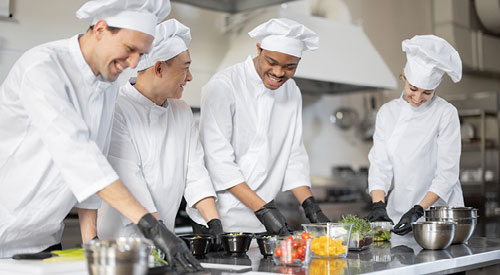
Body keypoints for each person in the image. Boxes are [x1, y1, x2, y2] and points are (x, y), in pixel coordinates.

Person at [0, 0, 202, 271]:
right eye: (129, 49)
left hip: (43, 239)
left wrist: (91, 241)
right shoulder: (43, 68)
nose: (132, 63)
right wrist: (153, 227)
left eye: (140, 55)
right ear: (100, 29)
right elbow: (81, 159)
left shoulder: (107, 85)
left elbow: (96, 167)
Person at [97, 19, 224, 248]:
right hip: (121, 244)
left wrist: (213, 221)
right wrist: (161, 234)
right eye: (185, 68)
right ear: (158, 68)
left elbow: (195, 172)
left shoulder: (182, 111)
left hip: (163, 237)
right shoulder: (117, 109)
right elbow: (130, 182)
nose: (190, 77)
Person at [198, 18, 330, 235]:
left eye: (290, 67)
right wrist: (263, 209)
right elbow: (218, 161)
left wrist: (311, 207)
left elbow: (293, 155)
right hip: (218, 219)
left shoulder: (292, 92)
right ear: (258, 48)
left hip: (261, 221)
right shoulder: (224, 86)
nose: (279, 73)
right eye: (271, 62)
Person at [366, 34, 464, 236]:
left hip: (439, 216)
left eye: (427, 92)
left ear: (437, 86)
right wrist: (378, 205)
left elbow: (447, 174)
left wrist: (419, 210)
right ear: (404, 75)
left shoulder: (445, 113)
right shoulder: (387, 112)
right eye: (413, 89)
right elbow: (380, 165)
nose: (418, 98)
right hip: (399, 212)